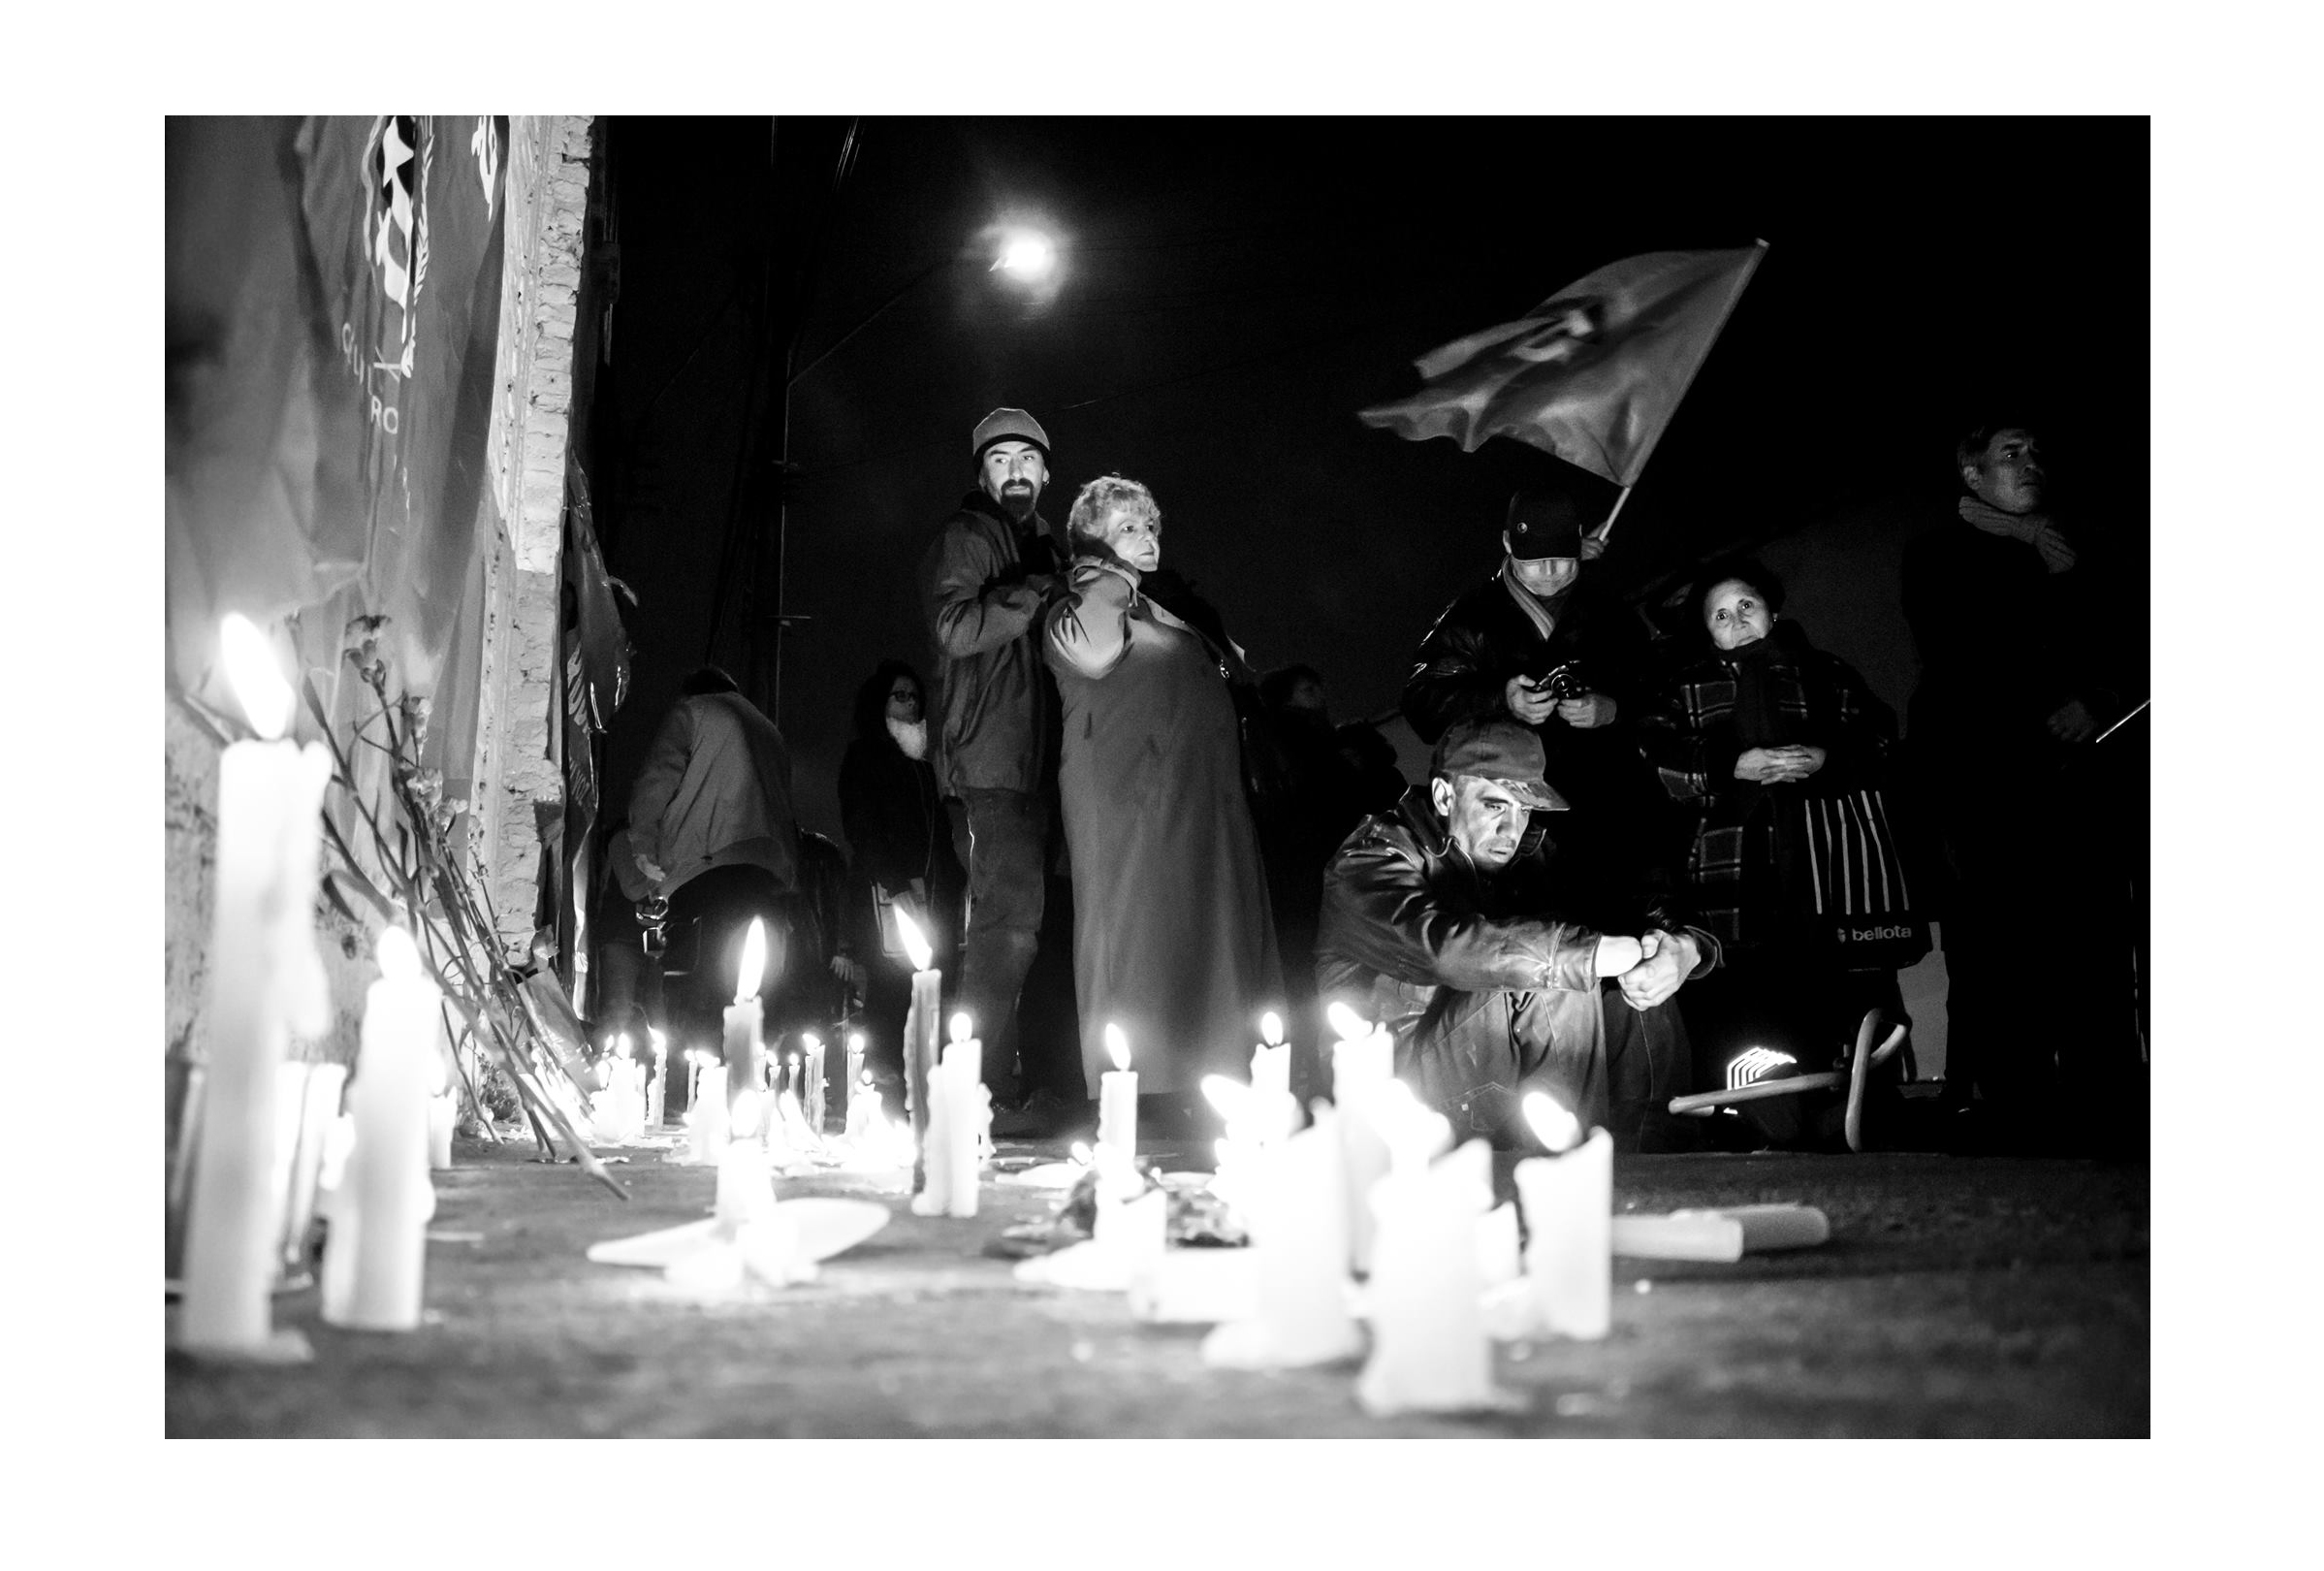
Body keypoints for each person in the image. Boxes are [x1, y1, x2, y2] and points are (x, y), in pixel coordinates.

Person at [1902, 422, 2141, 1153]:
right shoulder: (1941, 551)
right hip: (1986, 780)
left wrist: (2096, 697)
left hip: (2076, 778)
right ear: (1971, 474)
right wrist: (2031, 554)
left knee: (2093, 939)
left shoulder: (2081, 547)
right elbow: (1961, 652)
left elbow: (2128, 635)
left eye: (2034, 452)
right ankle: (2008, 1103)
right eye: (2010, 454)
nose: (2028, 463)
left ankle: (2109, 1103)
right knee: (1996, 941)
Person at [1316, 718, 1716, 1149]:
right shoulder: (1371, 858)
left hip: (1487, 1069)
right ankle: (1569, 1172)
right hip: (1396, 1086)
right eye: (1495, 806)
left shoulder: (1531, 854)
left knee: (1639, 981)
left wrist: (1685, 946)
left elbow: (1625, 901)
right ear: (1444, 796)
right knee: (1554, 968)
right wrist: (1581, 955)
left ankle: (1657, 1170)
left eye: (1524, 809)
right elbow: (1441, 949)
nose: (1513, 829)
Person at [1636, 558, 1920, 1146]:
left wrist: (1825, 760)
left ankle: (1858, 1114)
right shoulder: (1687, 685)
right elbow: (1656, 762)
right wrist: (1727, 766)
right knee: (1750, 1005)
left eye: (1747, 606)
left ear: (1772, 610)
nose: (1737, 621)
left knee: (1839, 998)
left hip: (1829, 870)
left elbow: (1881, 742)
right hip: (1730, 873)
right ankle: (1768, 1119)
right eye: (1721, 614)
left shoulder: (1826, 674)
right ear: (1707, 631)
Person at [1043, 474, 1282, 1131]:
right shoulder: (1082, 601)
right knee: (1141, 940)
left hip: (1201, 803)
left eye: (1149, 527)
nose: (1145, 540)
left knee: (1212, 935)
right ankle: (1142, 1097)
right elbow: (1090, 656)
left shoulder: (1166, 609)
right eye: (1127, 529)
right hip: (1132, 808)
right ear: (1091, 541)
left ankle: (1216, 1083)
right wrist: (1106, 575)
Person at [1400, 487, 1675, 921]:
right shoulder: (1472, 617)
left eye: (1563, 559)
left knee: (1632, 943)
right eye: (1534, 561)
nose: (1549, 572)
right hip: (1522, 833)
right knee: (1540, 947)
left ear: (1581, 544)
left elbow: (1663, 693)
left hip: (1616, 818)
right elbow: (1421, 702)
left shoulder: (1609, 613)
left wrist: (1614, 709)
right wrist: (1500, 700)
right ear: (1509, 544)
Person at [919, 408, 1069, 1114]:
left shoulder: (1048, 546)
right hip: (990, 763)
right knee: (1004, 929)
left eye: (1026, 459)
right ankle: (977, 1091)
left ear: (1044, 472)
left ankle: (1021, 1079)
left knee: (1028, 928)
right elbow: (954, 630)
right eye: (999, 459)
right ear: (982, 474)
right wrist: (1035, 589)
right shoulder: (967, 536)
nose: (1014, 469)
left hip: (1044, 764)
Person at [626, 666, 799, 1093]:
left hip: (705, 865)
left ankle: (700, 1087)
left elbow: (656, 782)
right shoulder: (768, 730)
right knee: (751, 981)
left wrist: (643, 853)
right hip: (766, 868)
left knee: (701, 982)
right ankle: (751, 1082)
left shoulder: (692, 713)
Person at [837, 659, 968, 1106]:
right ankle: (886, 1084)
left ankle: (922, 1085)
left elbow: (938, 834)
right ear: (880, 702)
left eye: (914, 696)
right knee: (890, 990)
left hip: (931, 896)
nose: (910, 703)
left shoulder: (922, 764)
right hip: (887, 894)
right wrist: (894, 883)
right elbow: (862, 827)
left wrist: (954, 880)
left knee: (929, 988)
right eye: (899, 695)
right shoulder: (865, 756)